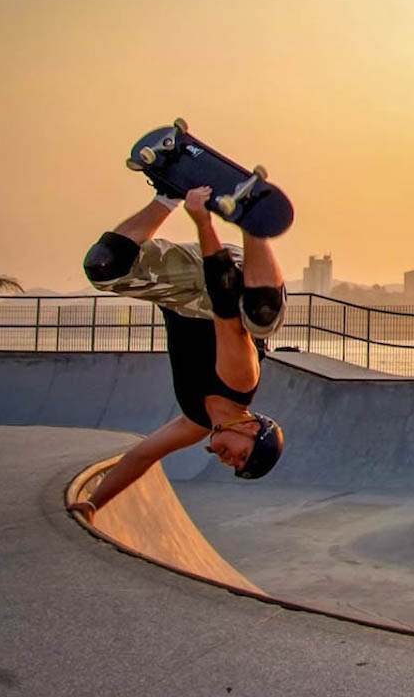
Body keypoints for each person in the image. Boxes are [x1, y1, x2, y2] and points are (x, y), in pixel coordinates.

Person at [67, 186, 287, 521]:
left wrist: (94, 504)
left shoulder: (195, 423)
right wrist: (203, 223)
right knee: (260, 318)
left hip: (182, 299)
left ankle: (166, 195)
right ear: (254, 429)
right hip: (230, 281)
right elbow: (226, 306)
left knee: (104, 267)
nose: (230, 460)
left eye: (235, 466)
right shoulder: (241, 380)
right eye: (243, 457)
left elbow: (141, 457)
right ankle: (252, 221)